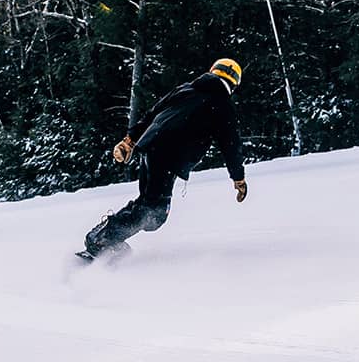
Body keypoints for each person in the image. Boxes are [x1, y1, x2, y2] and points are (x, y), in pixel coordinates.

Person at [77, 58, 248, 261]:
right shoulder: (222, 104)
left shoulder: (185, 89)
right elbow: (231, 145)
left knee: (148, 203)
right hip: (169, 155)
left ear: (212, 71)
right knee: (155, 211)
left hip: (150, 147)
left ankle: (105, 236)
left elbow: (152, 113)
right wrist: (238, 178)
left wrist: (129, 141)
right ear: (234, 83)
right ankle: (101, 240)